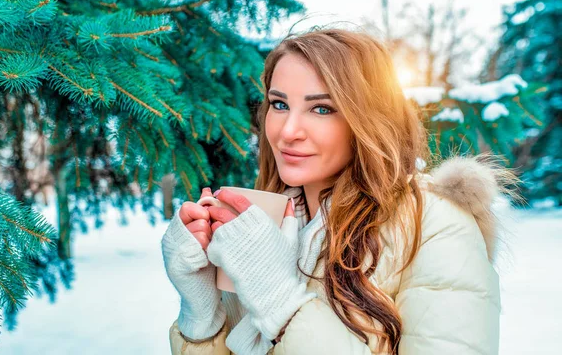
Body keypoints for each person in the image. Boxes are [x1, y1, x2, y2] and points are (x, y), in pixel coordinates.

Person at [161, 28, 518, 355]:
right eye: (280, 104)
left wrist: (281, 303)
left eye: (321, 108)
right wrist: (202, 317)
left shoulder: (436, 223)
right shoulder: (267, 220)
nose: (288, 131)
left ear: (369, 119)